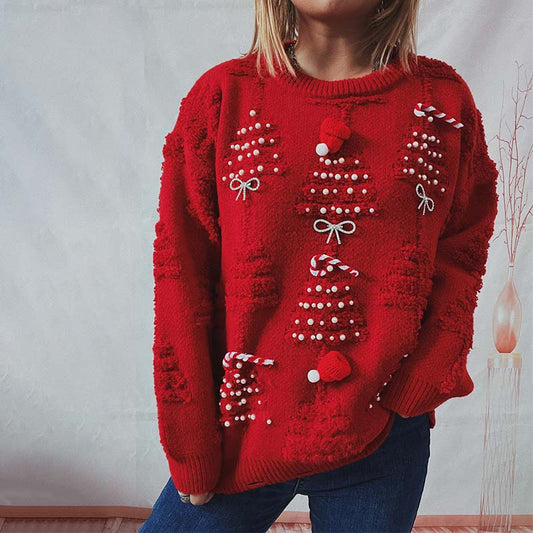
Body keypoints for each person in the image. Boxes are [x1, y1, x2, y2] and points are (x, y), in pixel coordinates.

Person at [140, 0, 499, 531]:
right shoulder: (223, 97)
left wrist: (426, 373)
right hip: (239, 429)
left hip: (383, 436)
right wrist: (188, 438)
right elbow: (180, 272)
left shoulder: (442, 102)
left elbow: (463, 248)